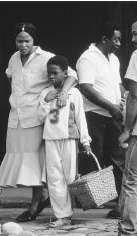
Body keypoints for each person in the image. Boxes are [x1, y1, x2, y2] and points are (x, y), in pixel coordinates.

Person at [0, 23, 77, 222]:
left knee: (34, 163)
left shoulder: (46, 57)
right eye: (19, 41)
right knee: (23, 161)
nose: (23, 45)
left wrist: (62, 91)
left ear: (34, 40)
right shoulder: (14, 58)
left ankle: (35, 205)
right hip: (16, 116)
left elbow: (72, 75)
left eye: (27, 41)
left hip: (36, 115)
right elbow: (11, 77)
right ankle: (43, 198)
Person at [97, 14, 137, 236]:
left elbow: (135, 96)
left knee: (132, 183)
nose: (132, 39)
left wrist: (127, 130)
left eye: (135, 33)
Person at [76, 22, 128, 218]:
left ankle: (121, 205)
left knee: (119, 159)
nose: (119, 43)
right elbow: (86, 88)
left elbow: (118, 84)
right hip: (95, 116)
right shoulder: (87, 58)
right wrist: (111, 106)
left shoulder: (113, 59)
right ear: (104, 39)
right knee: (94, 158)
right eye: (115, 39)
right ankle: (91, 200)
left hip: (113, 116)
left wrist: (127, 98)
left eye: (119, 39)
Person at [38, 55, 91, 227]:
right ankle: (63, 216)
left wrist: (85, 141)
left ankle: (73, 207)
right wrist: (47, 101)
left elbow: (80, 118)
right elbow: (39, 117)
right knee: (54, 178)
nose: (51, 77)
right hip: (50, 140)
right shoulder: (45, 93)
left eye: (55, 73)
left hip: (69, 139)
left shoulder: (74, 93)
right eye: (49, 74)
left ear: (65, 73)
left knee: (70, 176)